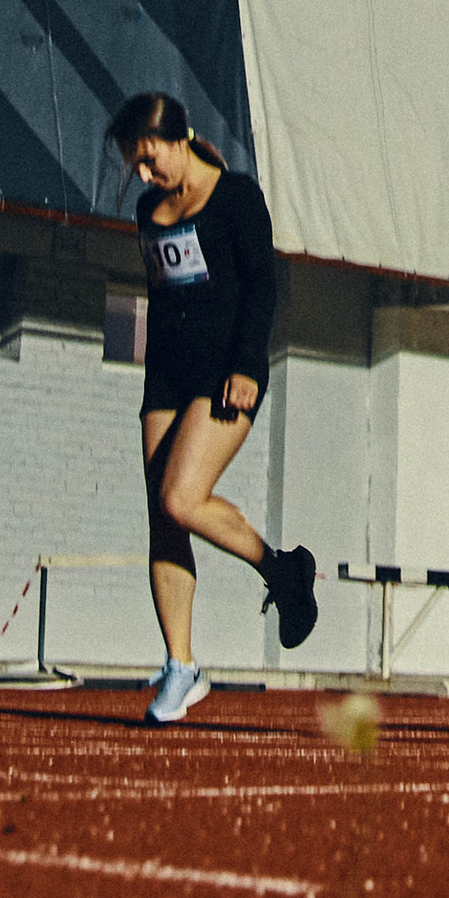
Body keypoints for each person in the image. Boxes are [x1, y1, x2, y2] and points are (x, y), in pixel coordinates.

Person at [110, 92, 318, 726]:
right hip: (168, 378)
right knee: (163, 519)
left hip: (227, 373)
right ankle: (182, 666)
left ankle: (281, 570)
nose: (143, 178)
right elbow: (162, 298)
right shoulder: (150, 211)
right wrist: (154, 390)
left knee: (182, 497)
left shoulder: (236, 198)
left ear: (179, 140)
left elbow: (261, 288)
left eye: (149, 162)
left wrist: (248, 366)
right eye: (134, 168)